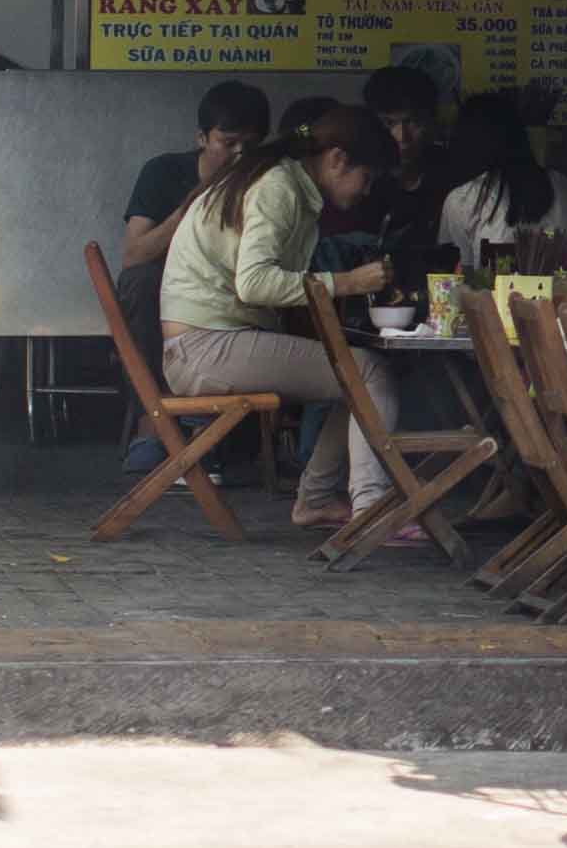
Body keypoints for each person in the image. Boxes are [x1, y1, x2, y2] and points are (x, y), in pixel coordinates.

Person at [162, 99, 404, 536]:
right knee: (369, 373)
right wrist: (345, 282)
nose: (366, 192)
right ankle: (371, 507)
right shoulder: (279, 188)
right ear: (336, 159)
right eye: (366, 178)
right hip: (205, 348)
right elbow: (253, 284)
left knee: (357, 375)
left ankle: (318, 501)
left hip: (204, 344)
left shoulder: (286, 184)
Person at [121, 81, 269, 288]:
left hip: (233, 285)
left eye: (251, 144)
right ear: (202, 138)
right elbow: (134, 256)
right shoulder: (163, 171)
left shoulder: (268, 181)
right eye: (229, 143)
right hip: (173, 285)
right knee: (139, 280)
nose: (240, 152)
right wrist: (191, 208)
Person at [436, 92, 567, 273]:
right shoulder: (564, 187)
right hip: (561, 297)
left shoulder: (462, 199)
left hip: (492, 298)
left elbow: (460, 272)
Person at [355, 65, 452, 258]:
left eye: (413, 122)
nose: (401, 137)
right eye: (389, 123)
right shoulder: (357, 180)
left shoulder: (450, 175)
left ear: (431, 122)